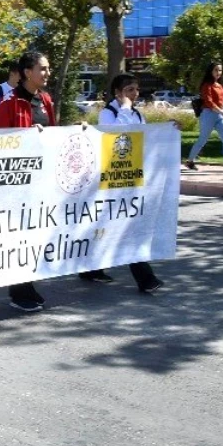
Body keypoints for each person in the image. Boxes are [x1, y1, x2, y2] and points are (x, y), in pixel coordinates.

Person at [85, 73, 165, 293]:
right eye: (129, 90)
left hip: (132, 179)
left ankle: (90, 268)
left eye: (136, 90)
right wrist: (126, 109)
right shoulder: (108, 114)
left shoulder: (138, 114)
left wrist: (168, 130)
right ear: (118, 93)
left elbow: (146, 138)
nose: (135, 94)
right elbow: (115, 136)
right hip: (112, 180)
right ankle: (145, 278)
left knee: (110, 225)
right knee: (125, 226)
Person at [0, 51, 56, 312]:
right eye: (43, 69)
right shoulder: (9, 102)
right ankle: (18, 290)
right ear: (27, 72)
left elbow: (53, 133)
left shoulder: (46, 100)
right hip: (14, 182)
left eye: (48, 68)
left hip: (38, 180)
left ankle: (27, 284)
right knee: (17, 236)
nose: (47, 73)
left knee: (33, 235)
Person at [186, 62, 223, 172]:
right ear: (210, 71)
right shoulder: (206, 85)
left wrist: (222, 112)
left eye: (220, 70)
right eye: (216, 70)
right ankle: (190, 161)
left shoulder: (220, 86)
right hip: (208, 114)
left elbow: (221, 101)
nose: (218, 73)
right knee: (202, 139)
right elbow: (209, 102)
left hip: (220, 115)